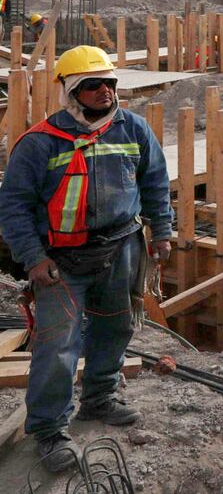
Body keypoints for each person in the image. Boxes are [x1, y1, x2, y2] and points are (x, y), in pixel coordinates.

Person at [0, 46, 172, 472]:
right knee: (58, 346)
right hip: (62, 262)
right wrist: (33, 258)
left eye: (109, 83)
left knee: (115, 327)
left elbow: (154, 182)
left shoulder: (133, 129)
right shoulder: (39, 143)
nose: (104, 92)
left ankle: (99, 398)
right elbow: (14, 208)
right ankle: (49, 429)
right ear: (70, 91)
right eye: (92, 85)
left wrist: (162, 232)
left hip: (122, 248)